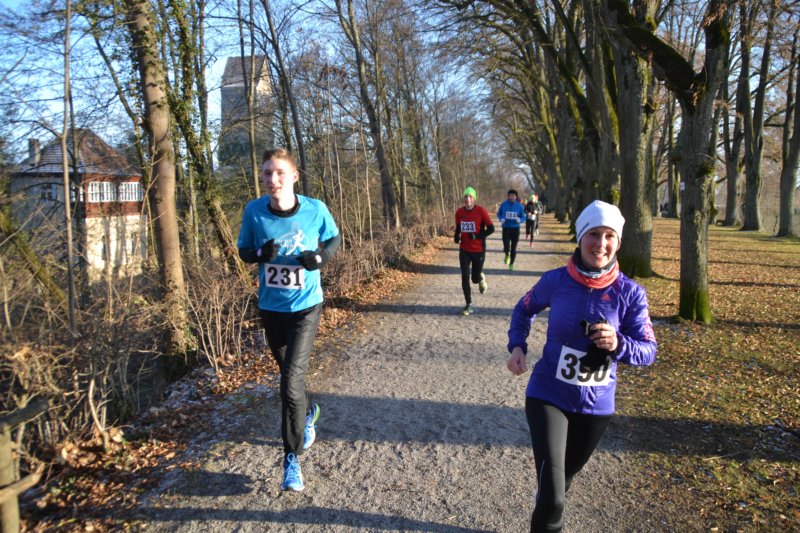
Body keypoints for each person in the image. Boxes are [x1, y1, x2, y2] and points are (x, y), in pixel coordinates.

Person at [506, 200, 657, 532]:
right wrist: (517, 345)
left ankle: (548, 501)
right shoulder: (556, 281)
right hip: (548, 394)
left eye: (609, 236)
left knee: (561, 484)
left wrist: (619, 343)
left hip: (595, 407)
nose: (600, 244)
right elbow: (524, 309)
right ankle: (548, 505)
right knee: (553, 499)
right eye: (593, 234)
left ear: (618, 242)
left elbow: (648, 351)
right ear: (580, 236)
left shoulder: (631, 294)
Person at [237, 148, 341, 492]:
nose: (273, 179)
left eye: (280, 172)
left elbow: (334, 238)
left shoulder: (315, 209)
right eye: (267, 173)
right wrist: (258, 254)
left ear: (294, 176)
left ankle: (291, 459)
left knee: (289, 383)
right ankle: (309, 413)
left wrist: (320, 258)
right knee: (288, 375)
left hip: (306, 307)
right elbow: (244, 250)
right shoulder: (253, 211)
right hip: (272, 307)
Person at [454, 186, 494, 316]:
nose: (468, 199)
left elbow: (491, 229)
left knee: (474, 279)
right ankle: (468, 304)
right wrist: (456, 235)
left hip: (478, 250)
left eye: (470, 196)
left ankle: (480, 278)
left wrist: (477, 236)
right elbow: (459, 226)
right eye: (466, 196)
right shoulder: (459, 212)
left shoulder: (481, 211)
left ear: (474, 198)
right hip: (464, 249)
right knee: (465, 276)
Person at [497, 189, 527, 270]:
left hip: (515, 229)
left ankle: (511, 264)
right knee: (506, 245)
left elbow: (524, 216)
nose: (511, 197)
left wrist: (520, 220)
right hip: (506, 228)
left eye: (513, 196)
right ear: (508, 196)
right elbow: (499, 214)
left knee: (513, 248)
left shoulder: (519, 206)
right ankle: (507, 254)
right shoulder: (504, 204)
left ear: (516, 197)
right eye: (510, 196)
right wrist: (501, 219)